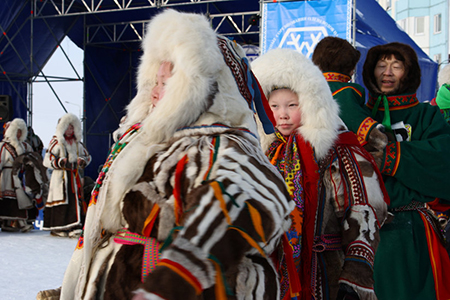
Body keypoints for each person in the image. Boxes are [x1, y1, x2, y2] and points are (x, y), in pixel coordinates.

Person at [38, 9, 292, 300]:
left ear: (194, 87)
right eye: (154, 81)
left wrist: (171, 282)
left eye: (165, 83)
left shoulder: (217, 143)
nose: (154, 92)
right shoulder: (142, 140)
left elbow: (247, 199)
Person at [252, 48, 389, 300]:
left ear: (310, 103)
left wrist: (356, 272)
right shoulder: (264, 153)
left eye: (292, 105)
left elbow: (362, 206)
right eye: (274, 106)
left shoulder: (337, 149)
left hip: (326, 273)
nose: (282, 113)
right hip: (272, 272)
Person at [362, 42, 450, 300]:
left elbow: (441, 161)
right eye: (381, 65)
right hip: (363, 231)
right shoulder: (359, 116)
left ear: (408, 72)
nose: (387, 72)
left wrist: (389, 159)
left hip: (413, 233)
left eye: (396, 66)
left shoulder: (427, 115)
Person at [312, 36, 387, 153]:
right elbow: (353, 116)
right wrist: (376, 133)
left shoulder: (309, 88)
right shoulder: (347, 91)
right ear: (350, 69)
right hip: (343, 150)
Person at [43, 113, 91, 238]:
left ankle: (73, 226)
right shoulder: (56, 142)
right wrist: (58, 162)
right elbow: (47, 159)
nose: (70, 130)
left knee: (74, 201)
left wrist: (82, 160)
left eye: (72, 127)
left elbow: (88, 156)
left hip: (73, 176)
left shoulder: (77, 144)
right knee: (61, 201)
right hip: (60, 176)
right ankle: (57, 227)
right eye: (68, 127)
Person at [0, 118, 34, 232]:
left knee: (21, 199)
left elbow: (32, 159)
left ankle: (21, 222)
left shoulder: (25, 146)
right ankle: (7, 222)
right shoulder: (3, 146)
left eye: (21, 131)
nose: (19, 133)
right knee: (8, 200)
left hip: (21, 176)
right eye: (17, 131)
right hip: (7, 176)